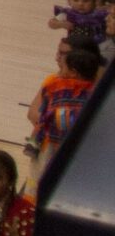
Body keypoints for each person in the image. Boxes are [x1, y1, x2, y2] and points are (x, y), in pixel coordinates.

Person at [27, 38, 100, 182]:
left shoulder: (98, 90)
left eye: (63, 54)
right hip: (47, 150)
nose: (57, 57)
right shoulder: (53, 81)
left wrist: (53, 119)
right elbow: (33, 113)